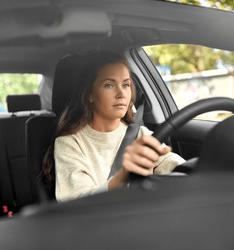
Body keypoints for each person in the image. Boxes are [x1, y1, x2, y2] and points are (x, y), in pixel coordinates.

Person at [42, 51, 186, 202]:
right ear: (89, 94)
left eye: (126, 85)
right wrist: (123, 177)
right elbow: (78, 202)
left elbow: (177, 167)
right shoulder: (69, 142)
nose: (121, 94)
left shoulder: (140, 134)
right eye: (109, 85)